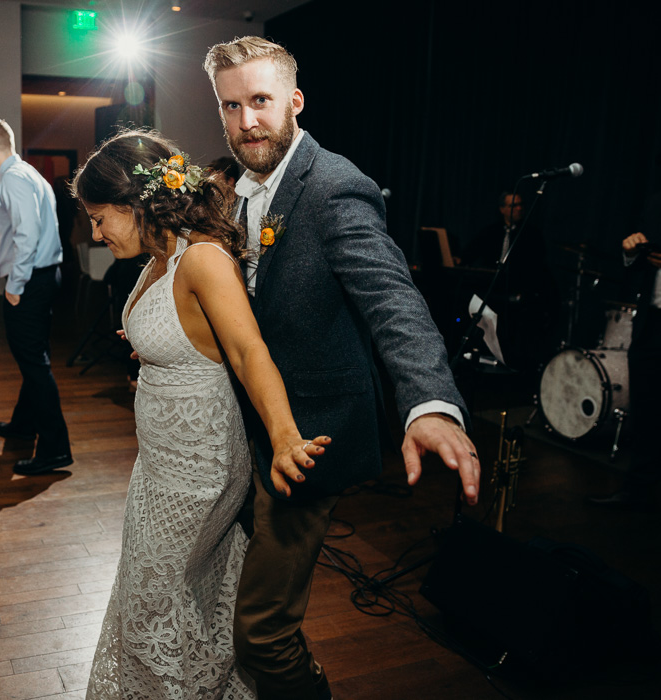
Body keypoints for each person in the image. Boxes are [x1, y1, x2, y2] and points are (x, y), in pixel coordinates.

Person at [204, 37, 480, 699]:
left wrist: (431, 402)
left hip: (311, 434)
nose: (246, 121)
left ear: (295, 101)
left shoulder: (333, 186)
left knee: (261, 635)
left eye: (261, 101)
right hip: (247, 429)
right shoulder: (242, 193)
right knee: (247, 596)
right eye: (231, 105)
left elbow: (393, 300)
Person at [74, 130, 331, 699]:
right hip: (157, 465)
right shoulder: (158, 258)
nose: (95, 233)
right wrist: (150, 343)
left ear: (134, 204)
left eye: (99, 218)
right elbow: (191, 336)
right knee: (180, 596)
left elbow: (248, 351)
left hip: (198, 471)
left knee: (152, 601)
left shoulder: (202, 259)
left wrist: (285, 437)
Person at [0, 118, 72, 475]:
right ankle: (23, 424)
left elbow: (28, 235)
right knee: (34, 358)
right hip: (44, 277)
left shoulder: (12, 178)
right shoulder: (26, 173)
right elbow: (30, 226)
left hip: (29, 281)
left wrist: (15, 286)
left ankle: (56, 448)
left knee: (34, 364)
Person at [588, 197, 661, 509]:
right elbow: (637, 260)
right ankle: (638, 491)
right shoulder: (654, 206)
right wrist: (631, 252)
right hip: (652, 323)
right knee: (645, 410)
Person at [461, 191, 556, 370]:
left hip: (518, 290)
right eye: (513, 206)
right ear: (502, 209)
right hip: (493, 288)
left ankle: (512, 362)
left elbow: (537, 267)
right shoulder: (491, 231)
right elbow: (469, 254)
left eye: (521, 205)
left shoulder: (531, 234)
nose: (519, 209)